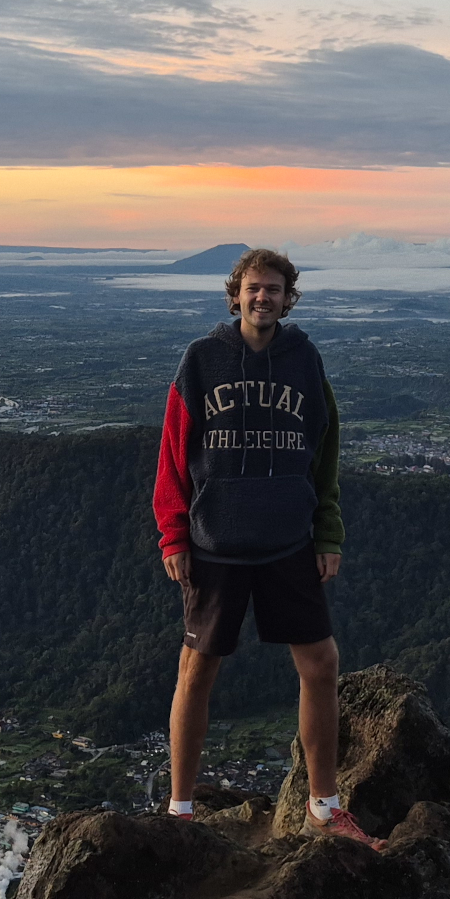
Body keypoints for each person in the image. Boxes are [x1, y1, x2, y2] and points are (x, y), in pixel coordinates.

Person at [152, 247, 387, 851]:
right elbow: (173, 457)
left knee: (321, 665)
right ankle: (181, 810)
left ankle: (324, 806)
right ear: (236, 295)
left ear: (289, 298)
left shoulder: (304, 360)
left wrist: (327, 533)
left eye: (275, 289)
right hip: (215, 545)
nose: (264, 298)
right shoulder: (201, 361)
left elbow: (325, 453)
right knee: (197, 672)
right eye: (254, 288)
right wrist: (173, 533)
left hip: (289, 542)